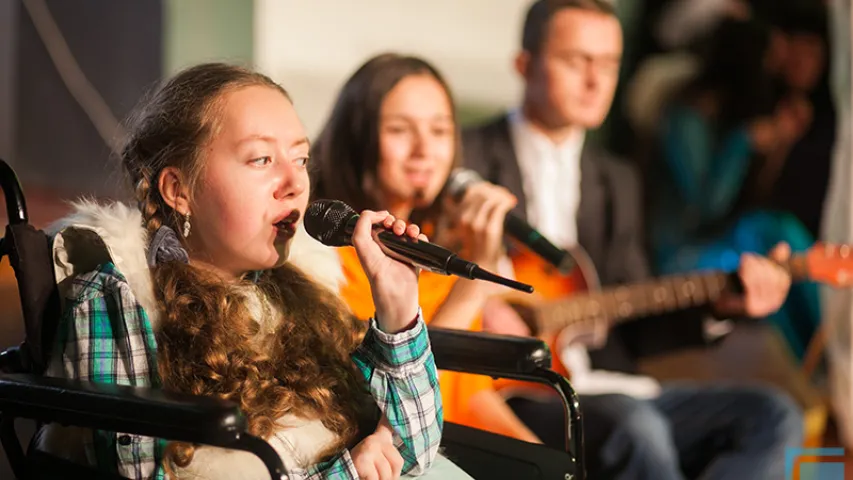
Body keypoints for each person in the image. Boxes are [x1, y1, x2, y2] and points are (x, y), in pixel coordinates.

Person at [40, 62, 442, 479]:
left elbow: (415, 452)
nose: (295, 182)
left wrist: (398, 312)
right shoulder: (118, 299)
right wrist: (348, 473)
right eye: (261, 159)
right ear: (178, 190)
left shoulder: (306, 294)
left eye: (301, 158)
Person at [462, 1, 803, 478]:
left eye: (608, 64)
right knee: (637, 427)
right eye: (577, 60)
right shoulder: (467, 158)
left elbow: (634, 323)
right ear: (525, 65)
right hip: (514, 389)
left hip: (609, 382)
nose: (595, 80)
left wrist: (723, 304)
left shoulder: (617, 177)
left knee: (774, 416)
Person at [310, 53, 542, 443]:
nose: (424, 151)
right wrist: (474, 285)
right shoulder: (326, 259)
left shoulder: (436, 241)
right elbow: (400, 396)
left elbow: (467, 395)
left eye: (440, 131)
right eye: (400, 130)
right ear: (357, 137)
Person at [646, 17, 821, 360]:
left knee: (777, 228)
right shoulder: (687, 117)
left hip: (720, 237)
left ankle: (825, 348)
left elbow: (757, 198)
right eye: (769, 62)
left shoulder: (730, 116)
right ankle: (806, 366)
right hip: (679, 254)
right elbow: (706, 206)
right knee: (754, 257)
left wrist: (778, 146)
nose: (774, 73)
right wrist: (744, 144)